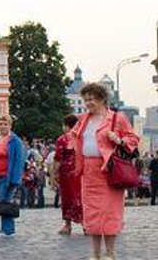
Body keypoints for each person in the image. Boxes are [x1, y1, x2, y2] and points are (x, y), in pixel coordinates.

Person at [71, 83, 140, 260]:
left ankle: (110, 253)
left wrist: (118, 139)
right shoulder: (83, 119)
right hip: (88, 171)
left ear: (102, 98)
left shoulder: (117, 118)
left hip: (109, 171)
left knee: (110, 212)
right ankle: (95, 254)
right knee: (91, 213)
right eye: (85, 99)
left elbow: (133, 138)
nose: (88, 103)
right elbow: (74, 138)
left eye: (91, 99)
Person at [0, 115, 26, 237]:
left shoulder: (15, 141)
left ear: (10, 125)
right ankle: (5, 228)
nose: (3, 126)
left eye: (5, 124)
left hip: (7, 177)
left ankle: (8, 230)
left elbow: (19, 161)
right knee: (2, 202)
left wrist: (15, 180)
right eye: (1, 124)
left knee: (6, 202)